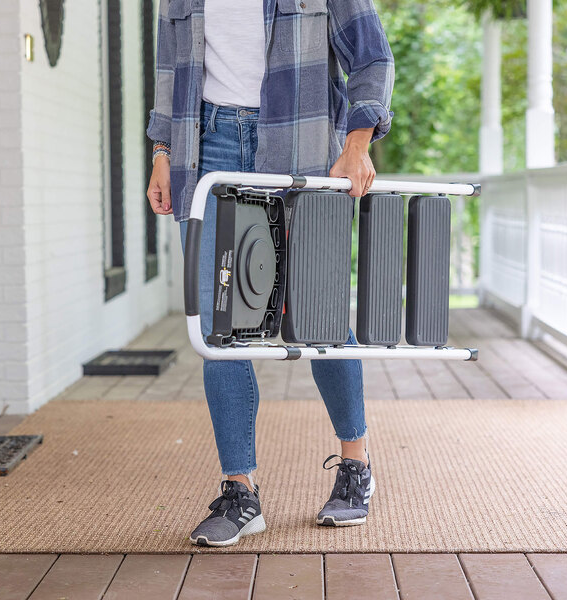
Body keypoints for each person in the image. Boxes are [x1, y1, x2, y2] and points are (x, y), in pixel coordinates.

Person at [146, 0, 394, 547]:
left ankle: (356, 466)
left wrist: (357, 144)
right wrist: (162, 151)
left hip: (303, 144)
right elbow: (169, 69)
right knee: (220, 328)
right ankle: (241, 493)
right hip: (207, 147)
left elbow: (373, 58)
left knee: (318, 318)